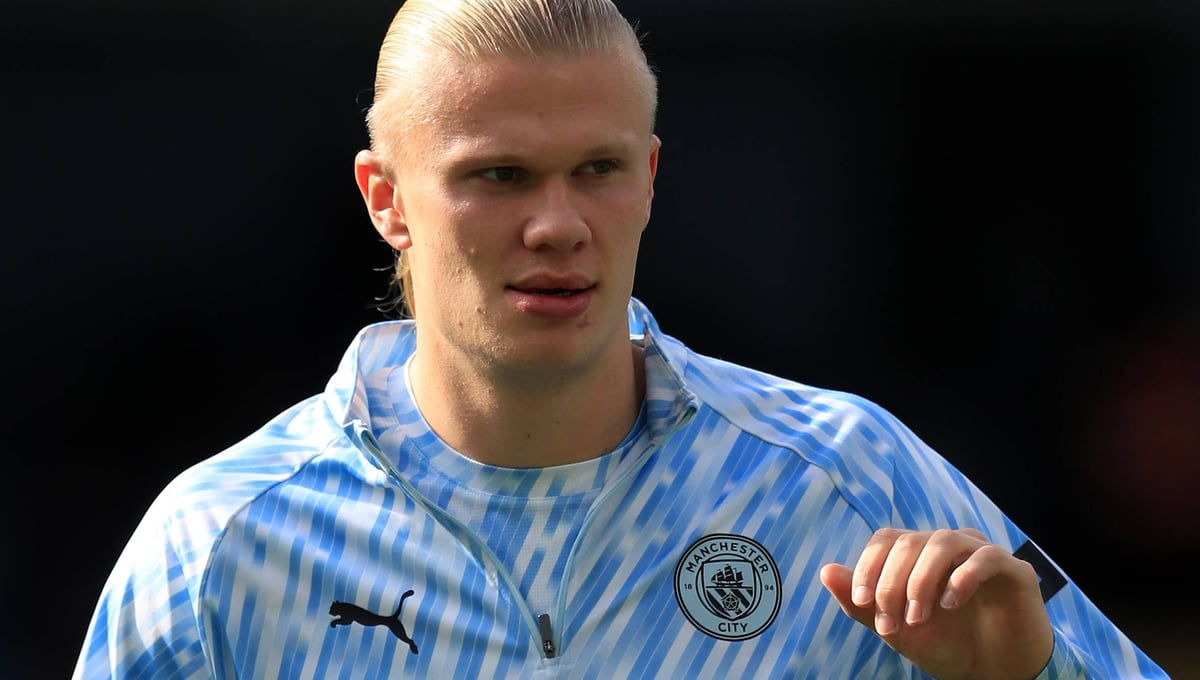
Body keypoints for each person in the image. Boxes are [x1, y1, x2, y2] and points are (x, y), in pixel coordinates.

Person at [73, 1, 1167, 678]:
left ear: (647, 178)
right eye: (500, 174)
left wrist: (1026, 677)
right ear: (386, 198)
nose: (558, 223)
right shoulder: (220, 540)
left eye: (596, 168)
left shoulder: (853, 473)